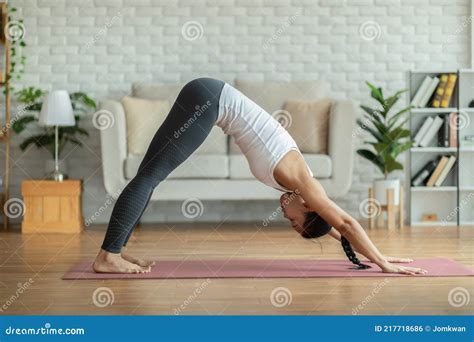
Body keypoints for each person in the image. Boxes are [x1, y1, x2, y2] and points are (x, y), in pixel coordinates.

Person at [93, 77, 427, 275]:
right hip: (209, 100)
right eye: (295, 223)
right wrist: (385, 264)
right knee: (150, 176)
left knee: (149, 175)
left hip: (209, 97)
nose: (287, 219)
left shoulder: (304, 189)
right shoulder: (305, 184)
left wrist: (372, 253)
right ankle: (108, 255)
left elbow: (336, 230)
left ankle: (115, 251)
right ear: (309, 207)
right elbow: (346, 224)